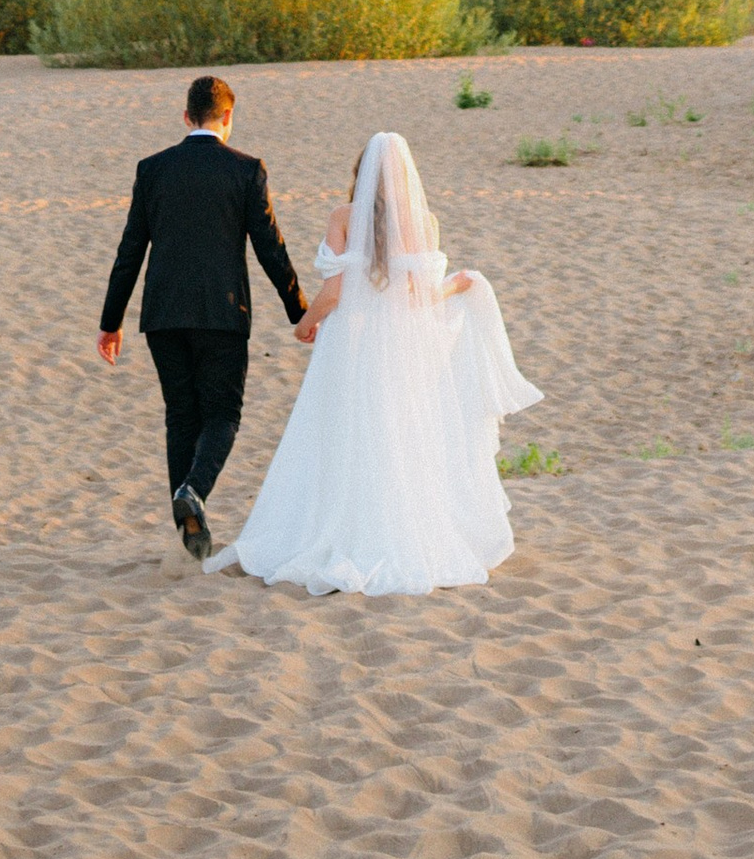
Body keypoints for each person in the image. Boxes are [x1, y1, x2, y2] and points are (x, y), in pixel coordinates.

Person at [207, 129, 541, 597]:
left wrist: (305, 323)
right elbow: (422, 296)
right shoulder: (425, 221)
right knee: (398, 436)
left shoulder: (342, 217)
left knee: (343, 435)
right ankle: (400, 533)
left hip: (351, 345)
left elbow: (336, 291)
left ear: (360, 173)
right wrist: (460, 283)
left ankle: (341, 529)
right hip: (401, 349)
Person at [96, 72, 308, 561]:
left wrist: (111, 321)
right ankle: (193, 492)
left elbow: (130, 251)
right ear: (227, 116)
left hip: (163, 314)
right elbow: (270, 247)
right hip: (221, 313)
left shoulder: (153, 169)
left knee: (181, 417)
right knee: (223, 414)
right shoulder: (246, 170)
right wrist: (298, 309)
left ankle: (189, 532)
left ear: (186, 116)